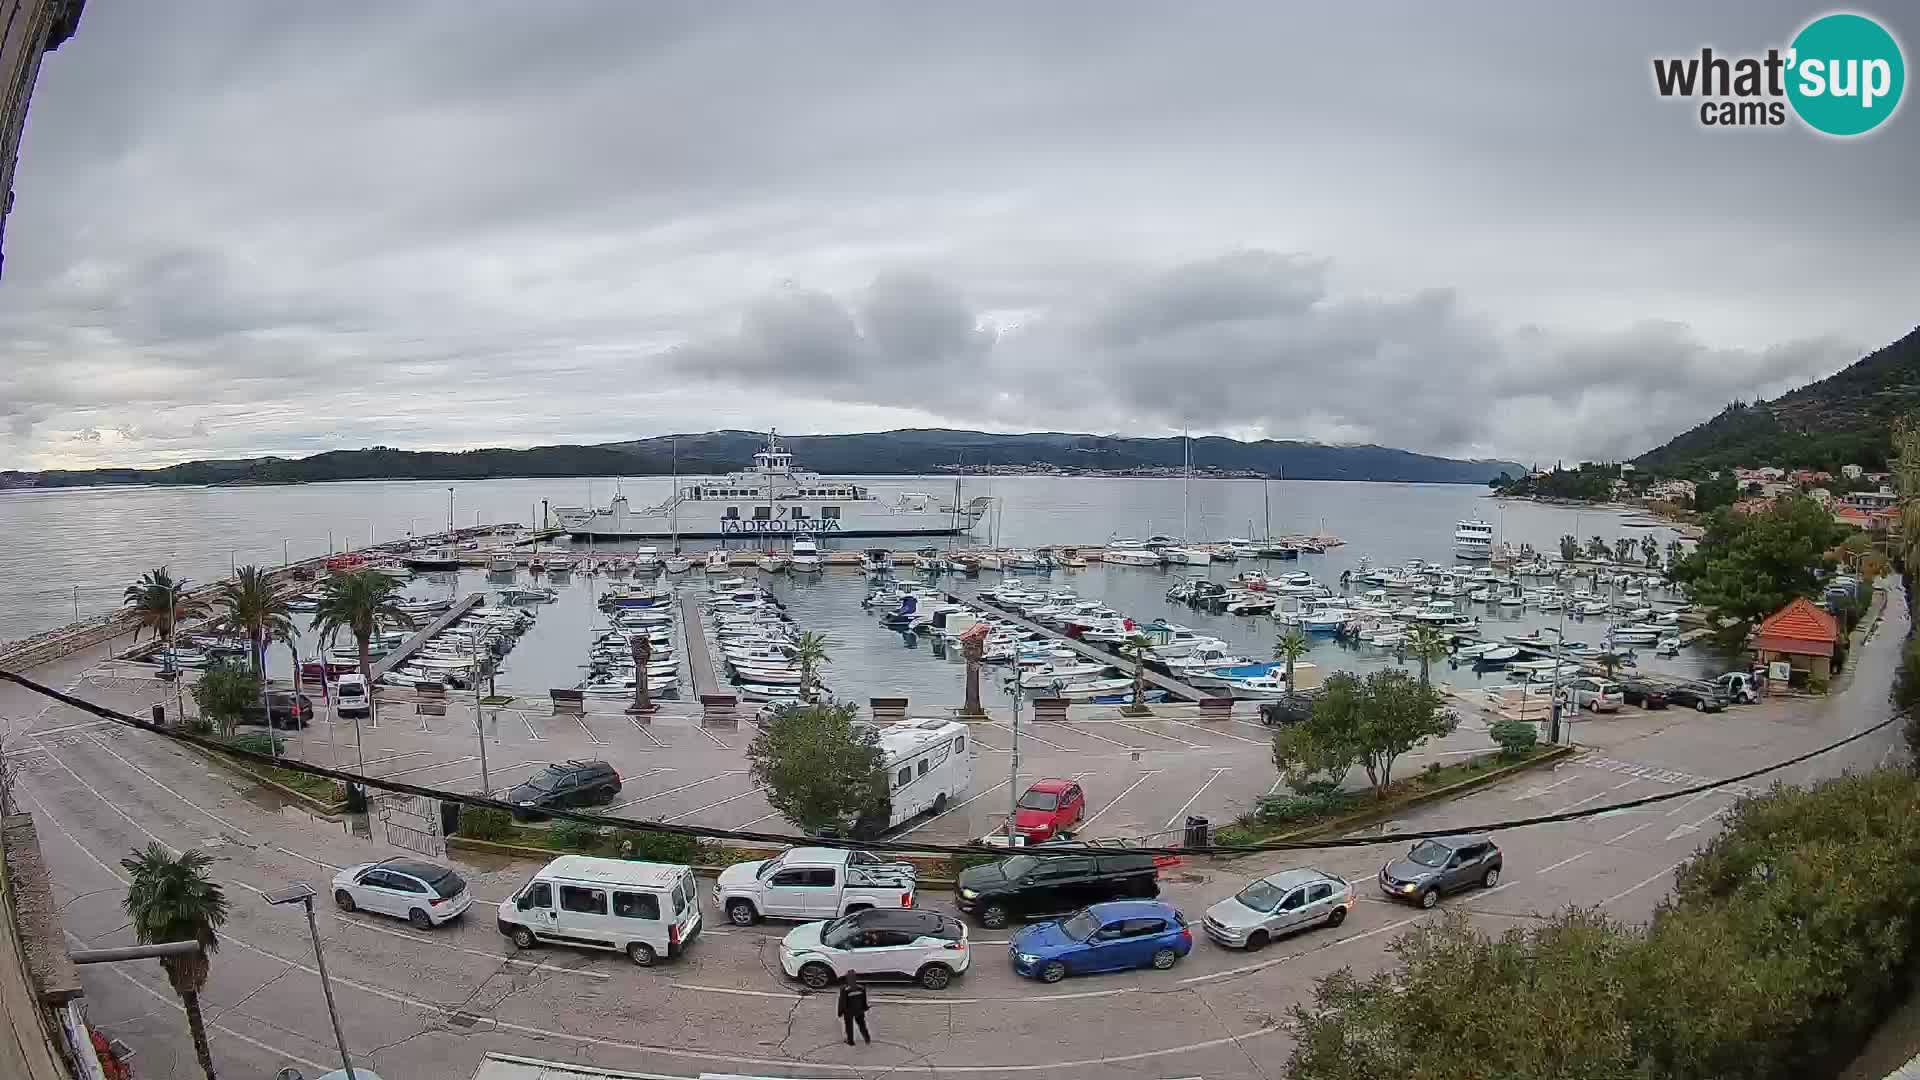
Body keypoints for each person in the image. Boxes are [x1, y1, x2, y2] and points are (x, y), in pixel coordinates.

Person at [838, 972, 870, 1045]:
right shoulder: (861, 988)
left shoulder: (845, 989)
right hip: (859, 1011)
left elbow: (842, 1002)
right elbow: (864, 1000)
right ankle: (867, 1038)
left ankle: (850, 1041)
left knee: (849, 1027)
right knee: (862, 1025)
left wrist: (840, 1012)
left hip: (848, 1012)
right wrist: (865, 1007)